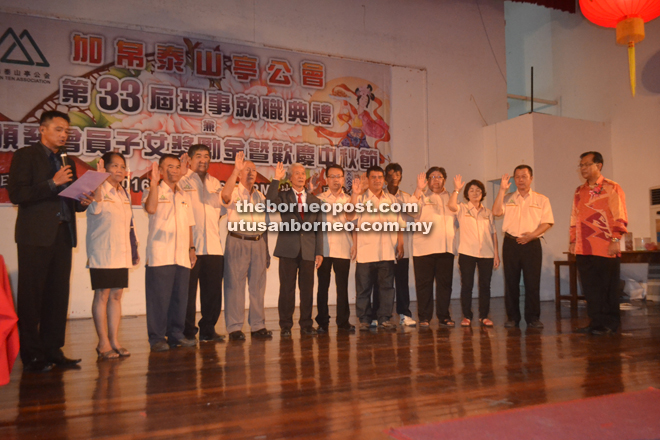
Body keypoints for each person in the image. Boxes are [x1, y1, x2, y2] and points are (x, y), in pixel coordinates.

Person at [8, 110, 92, 372]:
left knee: (58, 295)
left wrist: (83, 201)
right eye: (58, 129)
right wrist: (51, 183)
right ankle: (32, 354)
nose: (63, 135)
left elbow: (71, 201)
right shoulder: (26, 156)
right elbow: (17, 194)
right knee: (32, 296)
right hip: (35, 236)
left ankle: (53, 349)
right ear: (42, 130)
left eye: (66, 131)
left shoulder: (67, 160)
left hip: (63, 234)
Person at [142, 154, 197, 352]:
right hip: (160, 254)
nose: (175, 170)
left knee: (179, 298)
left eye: (177, 166)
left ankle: (176, 335)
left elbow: (190, 224)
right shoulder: (152, 189)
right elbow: (151, 208)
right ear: (161, 170)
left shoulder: (184, 195)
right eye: (170, 167)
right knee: (159, 299)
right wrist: (155, 184)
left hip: (181, 254)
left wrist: (191, 248)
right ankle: (157, 338)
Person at [570, 151, 627, 335]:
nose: (583, 168)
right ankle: (595, 322)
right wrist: (573, 241)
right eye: (581, 165)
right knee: (590, 288)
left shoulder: (612, 187)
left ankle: (610, 323)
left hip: (605, 246)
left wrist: (615, 239)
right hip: (584, 247)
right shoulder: (579, 191)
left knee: (607, 287)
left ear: (599, 165)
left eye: (587, 164)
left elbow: (620, 215)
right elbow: (574, 218)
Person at [266, 162, 324, 337]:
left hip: (308, 250)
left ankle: (306, 324)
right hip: (288, 249)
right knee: (286, 289)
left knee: (307, 289)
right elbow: (269, 201)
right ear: (290, 178)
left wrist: (319, 252)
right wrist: (276, 178)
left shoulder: (315, 200)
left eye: (302, 173)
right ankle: (285, 325)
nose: (300, 176)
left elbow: (319, 228)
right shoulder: (283, 197)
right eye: (296, 173)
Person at [492, 165, 554, 329]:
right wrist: (502, 191)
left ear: (531, 178)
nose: (520, 179)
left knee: (532, 282)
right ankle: (512, 318)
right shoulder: (508, 198)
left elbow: (547, 222)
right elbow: (496, 212)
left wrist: (532, 235)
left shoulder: (542, 199)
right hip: (511, 244)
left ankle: (533, 318)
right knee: (511, 282)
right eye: (517, 177)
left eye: (524, 176)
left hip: (532, 244)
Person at [221, 152, 273, 341]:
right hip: (238, 241)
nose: (251, 173)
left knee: (258, 286)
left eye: (254, 170)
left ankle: (258, 325)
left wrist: (266, 249)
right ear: (240, 173)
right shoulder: (233, 192)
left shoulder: (260, 195)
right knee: (234, 285)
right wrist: (235, 169)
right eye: (247, 170)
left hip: (258, 242)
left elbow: (266, 223)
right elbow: (224, 196)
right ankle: (234, 327)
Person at [86, 152, 133, 360]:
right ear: (104, 168)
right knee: (102, 295)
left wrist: (134, 250)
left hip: (121, 253)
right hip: (102, 252)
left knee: (116, 296)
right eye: (114, 166)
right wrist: (96, 182)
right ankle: (102, 342)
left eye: (122, 167)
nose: (119, 170)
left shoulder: (123, 192)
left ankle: (114, 340)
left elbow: (129, 225)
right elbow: (95, 209)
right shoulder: (97, 189)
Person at [179, 145, 226, 343]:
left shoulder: (215, 183)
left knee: (213, 293)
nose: (203, 160)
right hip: (190, 247)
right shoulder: (181, 180)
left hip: (214, 246)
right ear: (189, 159)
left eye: (206, 156)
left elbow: (223, 209)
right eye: (198, 156)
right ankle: (186, 331)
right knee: (187, 293)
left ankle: (208, 329)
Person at [348, 166, 404, 331]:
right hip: (366, 252)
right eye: (374, 177)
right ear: (368, 178)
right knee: (364, 288)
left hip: (387, 251)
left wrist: (400, 243)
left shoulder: (392, 200)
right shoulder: (360, 198)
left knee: (387, 287)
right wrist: (354, 194)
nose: (377, 180)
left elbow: (399, 222)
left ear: (384, 179)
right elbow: (350, 218)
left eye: (380, 177)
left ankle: (384, 318)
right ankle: (364, 319)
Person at [448, 176, 500, 327]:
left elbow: (493, 234)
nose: (475, 193)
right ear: (467, 194)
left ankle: (484, 316)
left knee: (485, 286)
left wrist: (496, 254)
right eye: (471, 190)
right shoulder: (462, 208)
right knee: (467, 285)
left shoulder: (488, 212)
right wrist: (456, 189)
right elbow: (451, 205)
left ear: (483, 193)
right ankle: (467, 316)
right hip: (467, 253)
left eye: (478, 190)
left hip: (487, 254)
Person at [409, 167, 457, 328]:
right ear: (427, 180)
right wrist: (418, 189)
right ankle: (424, 317)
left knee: (445, 285)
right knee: (424, 285)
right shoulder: (420, 196)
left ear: (445, 179)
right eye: (432, 177)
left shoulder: (452, 197)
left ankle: (444, 316)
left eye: (440, 177)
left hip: (446, 249)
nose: (436, 180)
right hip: (423, 249)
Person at [315, 164, 355, 333]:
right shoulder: (318, 199)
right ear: (326, 179)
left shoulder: (349, 200)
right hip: (323, 250)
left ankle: (343, 321)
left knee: (342, 287)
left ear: (343, 179)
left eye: (339, 176)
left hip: (343, 247)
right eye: (332, 176)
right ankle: (322, 322)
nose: (336, 180)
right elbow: (314, 226)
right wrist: (316, 250)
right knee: (323, 286)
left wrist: (355, 245)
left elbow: (355, 223)